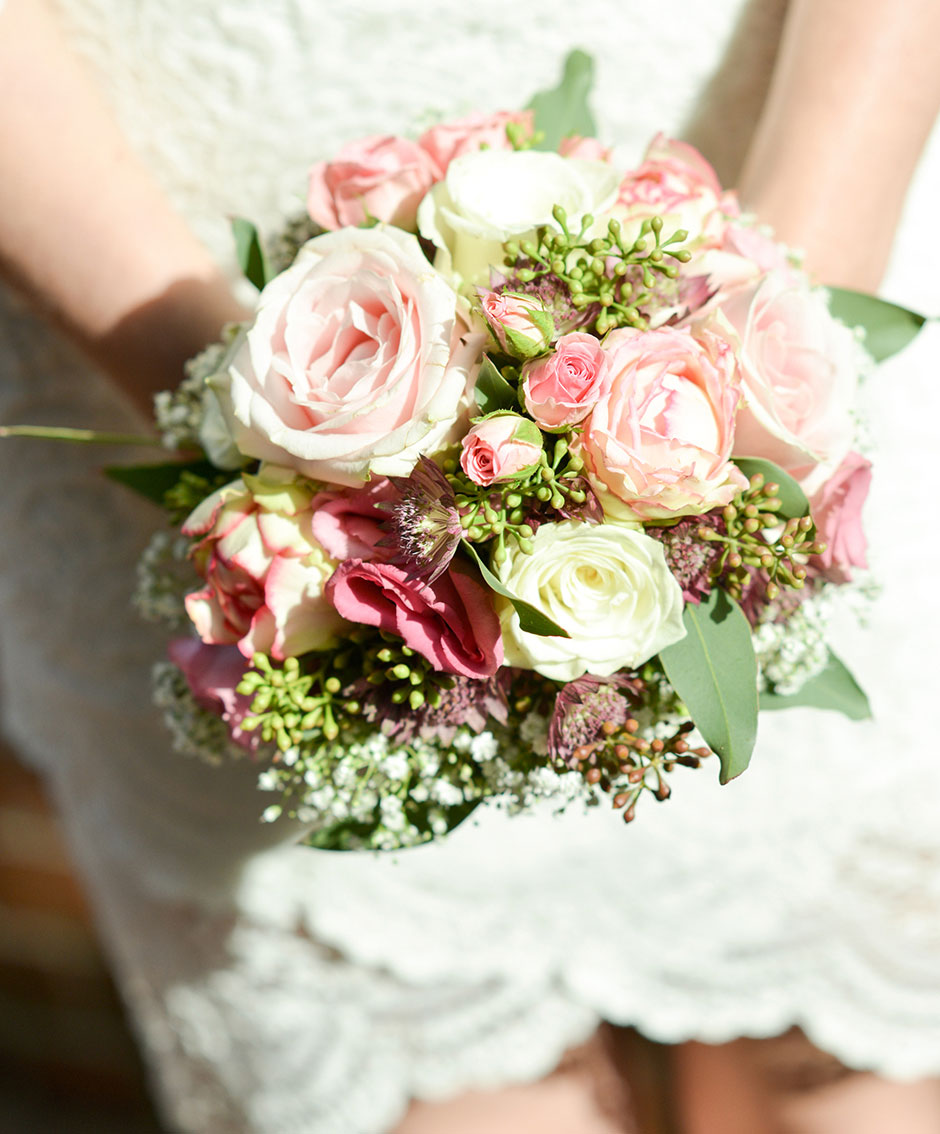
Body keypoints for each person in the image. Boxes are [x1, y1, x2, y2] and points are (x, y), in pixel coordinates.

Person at [1, 1, 939, 1131]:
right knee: (453, 1100)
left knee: (839, 1082)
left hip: (772, 169)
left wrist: (781, 326)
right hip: (133, 255)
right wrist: (257, 423)